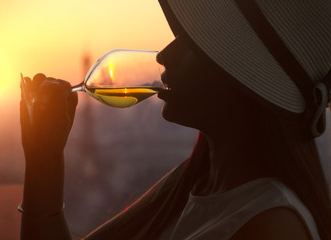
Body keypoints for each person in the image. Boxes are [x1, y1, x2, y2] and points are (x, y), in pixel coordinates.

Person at [19, 0, 331, 239]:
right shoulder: (197, 184)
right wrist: (43, 156)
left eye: (193, 42)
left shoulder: (271, 226)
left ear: (246, 79)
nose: (164, 55)